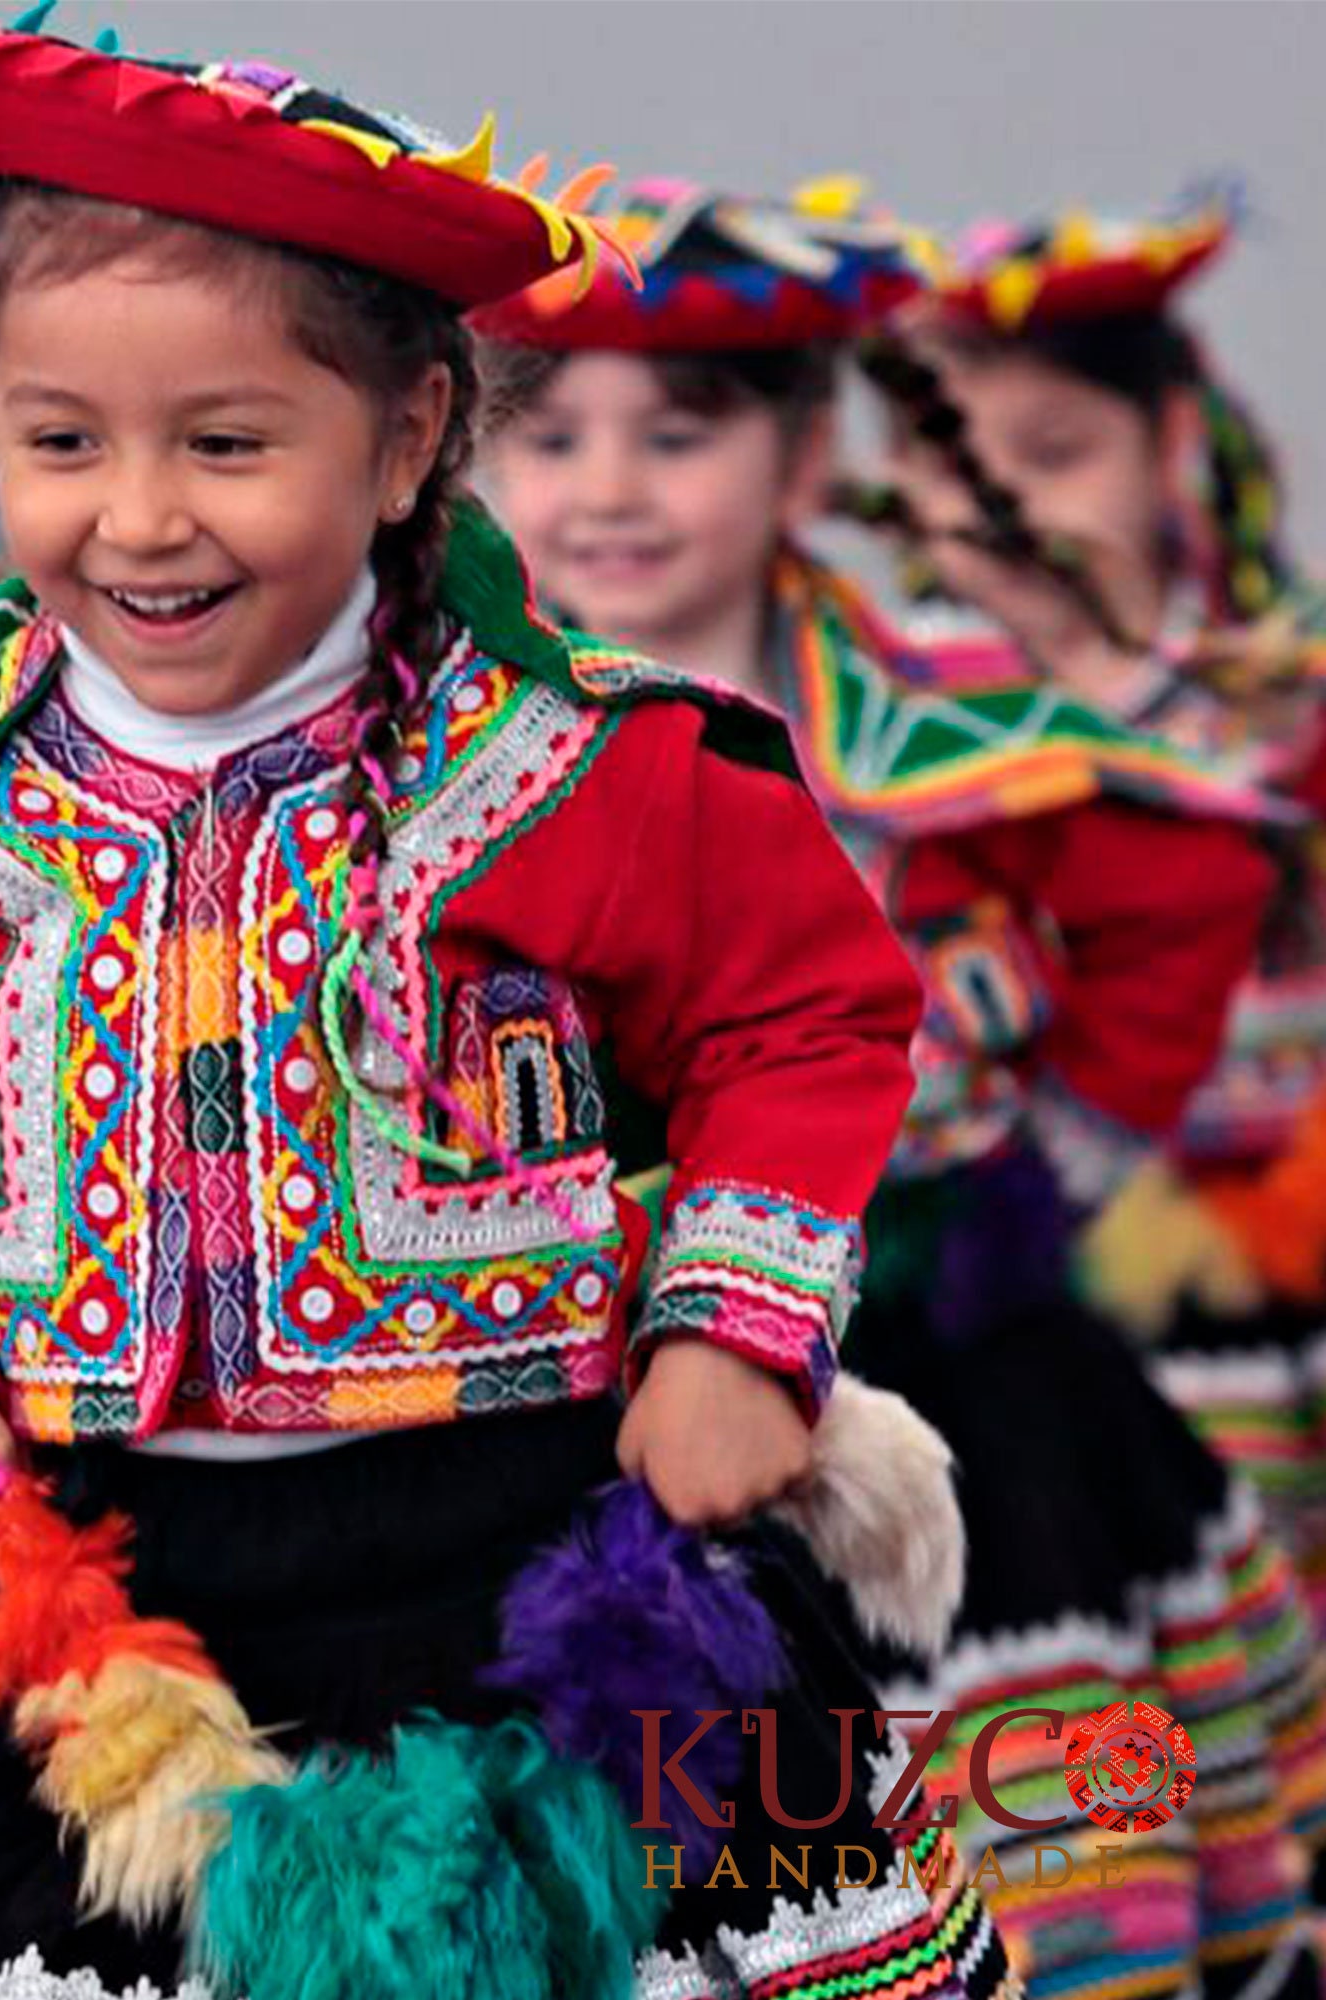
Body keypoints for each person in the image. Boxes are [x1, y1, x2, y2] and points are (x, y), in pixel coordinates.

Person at [0, 16, 1012, 2000]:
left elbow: (804, 1014)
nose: (137, 515)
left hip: (523, 1548)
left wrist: (732, 1335)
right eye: (60, 441)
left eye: (224, 441)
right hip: (139, 1602)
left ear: (407, 438)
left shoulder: (581, 770)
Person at [477, 176, 1321, 2000]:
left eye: (677, 432)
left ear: (799, 470)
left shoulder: (945, 726)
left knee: (1036, 1896)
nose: (606, 487)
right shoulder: (460, 746)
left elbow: (1189, 881)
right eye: (548, 434)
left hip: (962, 1415)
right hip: (608, 1420)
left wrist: (1058, 1167)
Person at [877, 194, 1326, 1638]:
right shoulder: (893, 738)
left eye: (1057, 455)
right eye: (950, 459)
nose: (999, 503)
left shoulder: (1284, 710)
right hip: (1019, 1295)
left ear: (1173, 444)